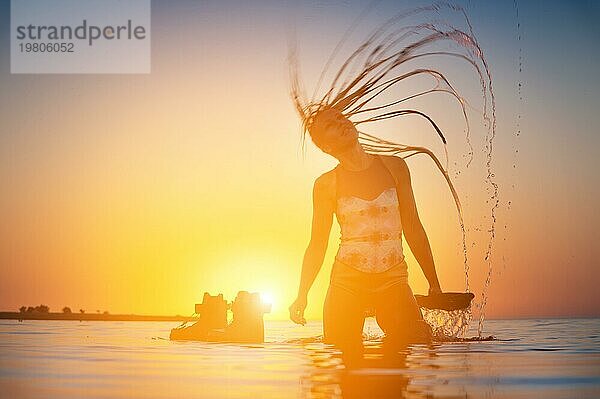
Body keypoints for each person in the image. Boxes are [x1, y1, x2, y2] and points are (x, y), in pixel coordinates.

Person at [288, 106, 442, 356]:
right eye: (331, 125)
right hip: (346, 283)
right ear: (326, 146)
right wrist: (301, 295)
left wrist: (433, 281)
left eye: (341, 117)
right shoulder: (326, 185)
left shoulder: (396, 167)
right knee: (343, 358)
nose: (341, 122)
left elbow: (413, 227)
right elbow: (317, 244)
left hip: (394, 279)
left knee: (412, 347)